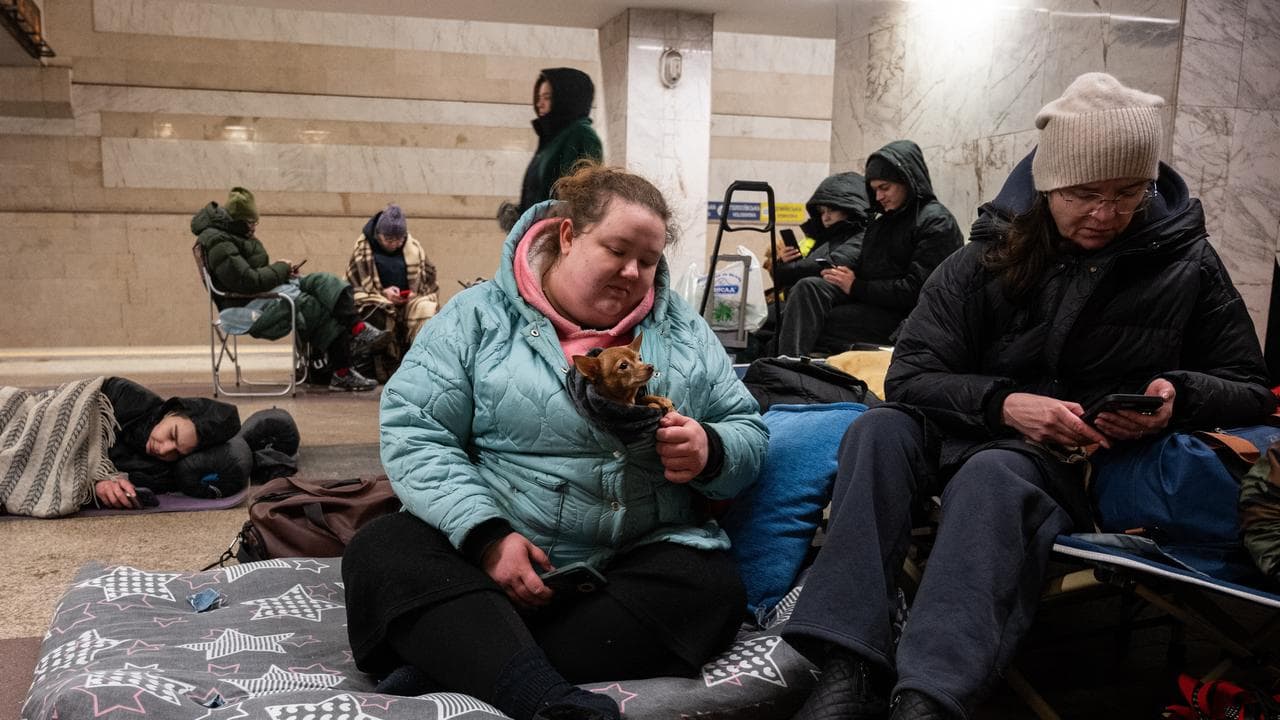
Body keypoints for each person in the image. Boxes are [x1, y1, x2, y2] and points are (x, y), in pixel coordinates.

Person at [781, 72, 1276, 720]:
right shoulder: (985, 256)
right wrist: (1003, 403)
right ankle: (845, 667)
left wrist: (1179, 394)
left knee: (996, 471)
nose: (1106, 213)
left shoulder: (1187, 264)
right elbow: (911, 375)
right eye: (1085, 194)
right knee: (876, 431)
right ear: (1048, 187)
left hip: (1066, 458)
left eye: (1129, 193)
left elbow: (1248, 384)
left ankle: (926, 698)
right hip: (968, 422)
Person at [342, 164, 768, 720]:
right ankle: (545, 699)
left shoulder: (685, 332)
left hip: (630, 558)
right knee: (380, 550)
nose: (633, 271)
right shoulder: (477, 318)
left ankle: (464, 653)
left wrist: (711, 448)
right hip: (493, 553)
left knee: (710, 591)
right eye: (617, 250)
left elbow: (749, 429)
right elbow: (416, 431)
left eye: (649, 259)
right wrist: (488, 537)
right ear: (568, 236)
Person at [773, 141, 963, 357]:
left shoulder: (936, 222)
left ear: (907, 181)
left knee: (817, 322)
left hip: (907, 316)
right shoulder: (885, 221)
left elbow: (917, 291)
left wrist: (856, 286)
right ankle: (786, 365)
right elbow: (868, 267)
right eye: (874, 190)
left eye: (885, 187)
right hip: (873, 301)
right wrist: (843, 276)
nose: (879, 196)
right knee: (809, 287)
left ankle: (791, 368)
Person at [192, 187, 386, 391]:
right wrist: (281, 268)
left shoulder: (235, 235)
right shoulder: (218, 243)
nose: (254, 227)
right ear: (238, 220)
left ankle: (359, 329)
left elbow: (252, 274)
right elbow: (246, 281)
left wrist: (282, 270)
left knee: (325, 281)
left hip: (263, 292)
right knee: (314, 306)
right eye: (251, 222)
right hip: (245, 306)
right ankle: (342, 372)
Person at [0, 376, 240, 516]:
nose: (165, 449)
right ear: (172, 411)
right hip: (24, 414)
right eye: (172, 434)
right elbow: (65, 418)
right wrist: (98, 479)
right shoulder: (124, 396)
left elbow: (83, 467)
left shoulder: (159, 471)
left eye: (177, 452)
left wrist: (98, 485)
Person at [752, 171, 869, 357]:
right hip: (803, 298)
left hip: (831, 300)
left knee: (764, 320)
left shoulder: (861, 236)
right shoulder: (825, 237)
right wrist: (785, 262)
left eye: (832, 210)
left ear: (850, 208)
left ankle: (786, 365)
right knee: (757, 322)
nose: (826, 217)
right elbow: (808, 266)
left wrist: (787, 269)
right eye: (822, 212)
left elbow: (829, 265)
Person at [499, 68, 604, 231]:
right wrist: (519, 215)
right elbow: (541, 193)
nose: (539, 104)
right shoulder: (551, 139)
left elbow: (583, 198)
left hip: (556, 241)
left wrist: (542, 225)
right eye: (539, 98)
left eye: (547, 98)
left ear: (566, 98)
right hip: (540, 238)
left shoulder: (582, 135)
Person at [346, 203, 440, 379]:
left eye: (399, 239)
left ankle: (421, 365)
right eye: (389, 240)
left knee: (427, 309)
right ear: (378, 235)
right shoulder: (363, 248)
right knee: (375, 311)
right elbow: (356, 285)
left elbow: (429, 279)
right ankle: (384, 367)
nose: (395, 244)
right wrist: (383, 293)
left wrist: (413, 294)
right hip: (376, 298)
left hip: (409, 299)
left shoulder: (414, 247)